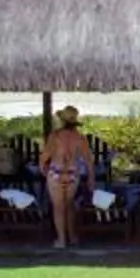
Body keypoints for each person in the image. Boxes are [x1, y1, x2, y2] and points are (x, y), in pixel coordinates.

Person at [40, 106, 94, 248]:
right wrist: (91, 178)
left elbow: (45, 155)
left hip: (56, 172)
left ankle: (61, 240)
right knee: (69, 205)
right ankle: (72, 237)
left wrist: (42, 168)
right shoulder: (80, 138)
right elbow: (88, 160)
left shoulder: (55, 136)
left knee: (58, 207)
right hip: (72, 173)